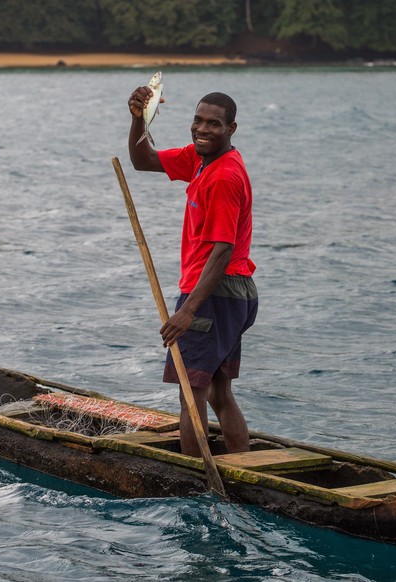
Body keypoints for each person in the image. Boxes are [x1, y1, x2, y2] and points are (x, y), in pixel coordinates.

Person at [127, 86, 258, 457]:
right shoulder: (200, 160)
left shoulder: (223, 177)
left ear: (231, 129)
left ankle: (196, 479)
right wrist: (138, 120)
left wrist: (187, 311)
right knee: (218, 391)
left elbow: (222, 250)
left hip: (213, 294)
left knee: (191, 393)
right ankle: (243, 468)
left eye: (213, 124)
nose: (202, 129)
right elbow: (143, 160)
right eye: (198, 120)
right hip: (233, 295)